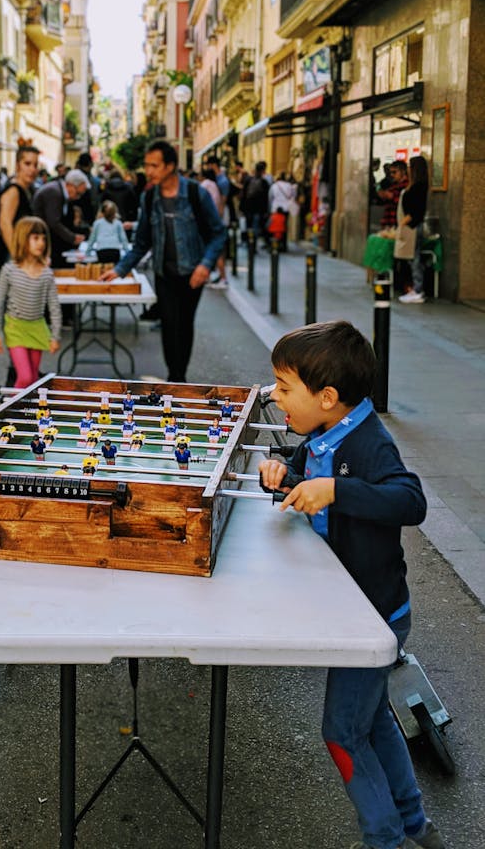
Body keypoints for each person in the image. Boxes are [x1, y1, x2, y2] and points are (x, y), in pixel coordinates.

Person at [259, 320, 445, 849]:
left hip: (374, 617)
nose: (275, 396)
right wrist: (278, 474)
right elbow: (302, 475)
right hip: (346, 610)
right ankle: (414, 823)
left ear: (328, 397)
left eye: (284, 387)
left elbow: (410, 500)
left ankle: (384, 838)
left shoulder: (368, 443)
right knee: (372, 721)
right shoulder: (320, 432)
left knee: (342, 734)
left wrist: (337, 490)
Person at [101, 140, 226, 383]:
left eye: (154, 165)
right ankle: (175, 377)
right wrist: (119, 269)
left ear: (170, 166)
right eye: (147, 165)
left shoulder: (194, 193)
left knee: (184, 324)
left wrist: (205, 265)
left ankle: (178, 375)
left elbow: (218, 232)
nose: (148, 171)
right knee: (169, 325)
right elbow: (142, 243)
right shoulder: (149, 198)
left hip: (192, 273)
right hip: (164, 275)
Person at [0, 216, 61, 388]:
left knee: (34, 379)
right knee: (25, 377)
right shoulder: (9, 271)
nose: (41, 243)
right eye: (36, 238)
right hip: (15, 328)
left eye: (44, 238)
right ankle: (10, 411)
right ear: (23, 239)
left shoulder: (46, 274)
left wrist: (55, 335)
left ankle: (27, 412)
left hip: (37, 328)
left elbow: (54, 306)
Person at [32, 168, 89, 268]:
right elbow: (54, 222)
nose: (77, 197)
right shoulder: (55, 192)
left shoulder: (57, 191)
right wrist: (72, 237)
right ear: (70, 185)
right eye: (78, 193)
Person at [396, 155, 429, 305]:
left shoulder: (418, 187)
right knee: (412, 259)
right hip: (410, 226)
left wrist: (403, 223)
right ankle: (415, 289)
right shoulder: (415, 186)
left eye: (410, 166)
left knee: (414, 259)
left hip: (413, 227)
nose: (408, 169)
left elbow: (416, 211)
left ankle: (417, 289)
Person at [0, 145, 38, 258]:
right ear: (17, 165)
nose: (32, 169)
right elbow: (4, 224)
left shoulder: (27, 190)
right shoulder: (14, 191)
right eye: (27, 164)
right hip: (10, 255)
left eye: (35, 165)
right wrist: (17, 256)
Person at [200, 168, 228, 288]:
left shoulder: (205, 185)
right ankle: (218, 276)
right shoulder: (214, 186)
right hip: (215, 221)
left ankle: (222, 278)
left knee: (213, 251)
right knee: (216, 251)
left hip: (208, 223)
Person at [241, 161, 271, 247]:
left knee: (248, 226)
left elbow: (243, 194)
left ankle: (249, 244)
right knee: (256, 227)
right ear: (263, 171)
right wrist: (266, 211)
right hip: (258, 208)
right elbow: (266, 198)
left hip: (248, 207)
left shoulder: (248, 180)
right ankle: (253, 245)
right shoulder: (264, 182)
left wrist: (242, 207)